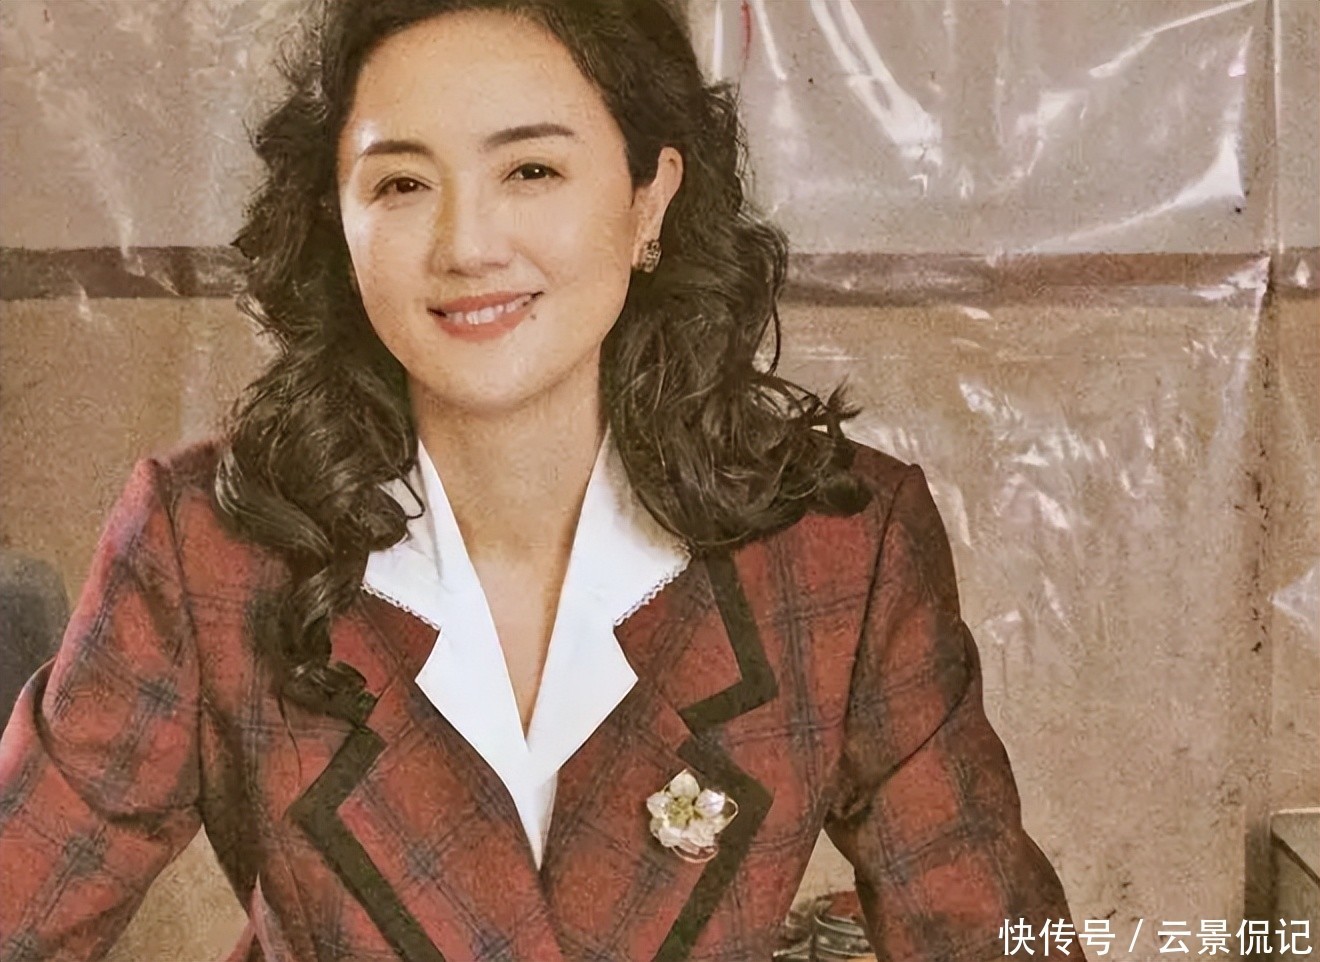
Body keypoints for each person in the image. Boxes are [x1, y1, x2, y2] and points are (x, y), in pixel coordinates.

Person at [0, 0, 1082, 959]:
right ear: (338, 216)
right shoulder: (207, 546)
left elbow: (987, 932)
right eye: (402, 183)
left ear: (649, 200)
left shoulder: (839, 551)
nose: (467, 245)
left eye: (530, 171)